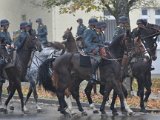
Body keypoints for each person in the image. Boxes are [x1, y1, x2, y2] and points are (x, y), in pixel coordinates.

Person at [83, 18, 106, 84]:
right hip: (89, 49)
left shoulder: (96, 31)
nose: (97, 26)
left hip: (98, 49)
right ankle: (92, 75)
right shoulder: (88, 31)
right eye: (95, 24)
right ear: (92, 25)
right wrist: (94, 48)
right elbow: (87, 42)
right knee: (97, 60)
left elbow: (100, 42)